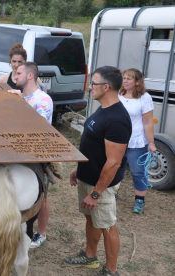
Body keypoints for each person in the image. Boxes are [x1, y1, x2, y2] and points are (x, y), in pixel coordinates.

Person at [64, 66, 132, 276]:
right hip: (88, 177)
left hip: (102, 186)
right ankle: (90, 256)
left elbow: (113, 163)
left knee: (107, 226)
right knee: (91, 219)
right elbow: (91, 145)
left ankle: (111, 271)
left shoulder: (117, 119)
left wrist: (96, 194)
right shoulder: (102, 108)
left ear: (106, 86)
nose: (89, 86)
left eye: (93, 83)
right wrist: (79, 169)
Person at [7, 61, 53, 249]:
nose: (14, 76)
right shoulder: (17, 97)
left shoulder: (43, 99)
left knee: (41, 195)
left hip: (37, 155)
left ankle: (40, 233)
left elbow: (37, 128)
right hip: (15, 152)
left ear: (30, 75)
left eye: (18, 73)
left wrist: (20, 103)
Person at [118, 68, 156, 214]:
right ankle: (113, 193)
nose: (125, 81)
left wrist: (151, 143)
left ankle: (139, 201)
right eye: (124, 78)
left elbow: (148, 123)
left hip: (137, 141)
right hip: (118, 140)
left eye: (129, 78)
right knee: (115, 168)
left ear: (138, 82)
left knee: (138, 172)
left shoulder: (144, 97)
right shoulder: (118, 95)